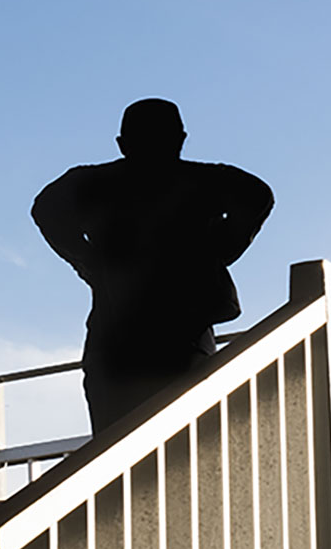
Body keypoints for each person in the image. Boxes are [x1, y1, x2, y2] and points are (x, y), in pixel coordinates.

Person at [32, 99, 274, 434]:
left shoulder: (97, 183)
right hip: (174, 333)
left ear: (122, 143)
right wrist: (221, 250)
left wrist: (87, 262)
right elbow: (257, 194)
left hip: (120, 336)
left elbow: (45, 209)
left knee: (117, 444)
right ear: (181, 138)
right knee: (186, 439)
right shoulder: (202, 181)